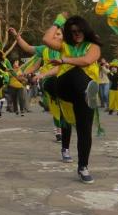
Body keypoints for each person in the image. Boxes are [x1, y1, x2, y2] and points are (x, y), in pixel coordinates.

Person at [43, 13, 102, 183]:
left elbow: (87, 60)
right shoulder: (63, 44)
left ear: (85, 30)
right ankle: (85, 90)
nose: (76, 34)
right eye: (72, 31)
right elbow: (46, 40)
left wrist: (64, 60)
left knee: (85, 131)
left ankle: (83, 167)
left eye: (79, 30)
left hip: (83, 96)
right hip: (66, 86)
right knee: (73, 73)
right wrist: (58, 21)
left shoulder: (93, 46)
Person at [10, 26, 63, 143]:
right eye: (53, 34)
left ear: (63, 36)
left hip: (62, 78)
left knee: (61, 107)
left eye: (58, 34)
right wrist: (16, 36)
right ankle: (58, 130)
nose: (55, 36)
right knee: (55, 106)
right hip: (48, 80)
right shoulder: (44, 49)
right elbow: (29, 50)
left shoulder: (67, 49)